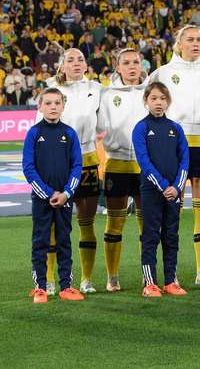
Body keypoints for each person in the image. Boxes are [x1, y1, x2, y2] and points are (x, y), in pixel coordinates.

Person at [148, 25, 200, 286]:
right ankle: (170, 273)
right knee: (171, 203)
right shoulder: (162, 73)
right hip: (172, 141)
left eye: (199, 39)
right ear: (179, 44)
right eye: (190, 39)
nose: (196, 43)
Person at [45, 48, 102, 294]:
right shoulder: (51, 88)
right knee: (56, 225)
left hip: (88, 160)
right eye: (71, 59)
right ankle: (48, 280)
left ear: (86, 65)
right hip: (59, 161)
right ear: (62, 65)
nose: (76, 63)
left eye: (80, 59)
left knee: (86, 222)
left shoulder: (98, 88)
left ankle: (86, 280)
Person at [24, 88, 84, 303]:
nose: (53, 107)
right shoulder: (33, 133)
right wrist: (49, 194)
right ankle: (40, 287)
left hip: (65, 199)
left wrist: (67, 193)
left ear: (63, 106)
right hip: (42, 199)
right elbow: (28, 168)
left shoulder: (69, 133)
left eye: (57, 103)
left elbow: (77, 166)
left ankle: (66, 286)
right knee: (40, 241)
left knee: (64, 241)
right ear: (40, 107)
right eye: (48, 103)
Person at [97, 48, 148, 292]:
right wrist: (111, 144)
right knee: (114, 224)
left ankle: (147, 274)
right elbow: (98, 126)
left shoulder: (151, 91)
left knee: (146, 225)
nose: (131, 67)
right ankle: (112, 276)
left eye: (135, 62)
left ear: (141, 65)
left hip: (145, 166)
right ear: (118, 67)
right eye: (126, 63)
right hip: (117, 164)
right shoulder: (107, 94)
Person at [132, 82, 190, 297]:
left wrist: (177, 186)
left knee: (171, 235)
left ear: (168, 101)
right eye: (154, 98)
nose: (158, 102)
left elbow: (184, 159)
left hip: (174, 192)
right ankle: (150, 283)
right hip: (151, 190)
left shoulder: (176, 128)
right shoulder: (141, 127)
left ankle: (170, 280)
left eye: (162, 98)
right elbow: (143, 161)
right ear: (146, 100)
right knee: (150, 235)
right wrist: (164, 186)